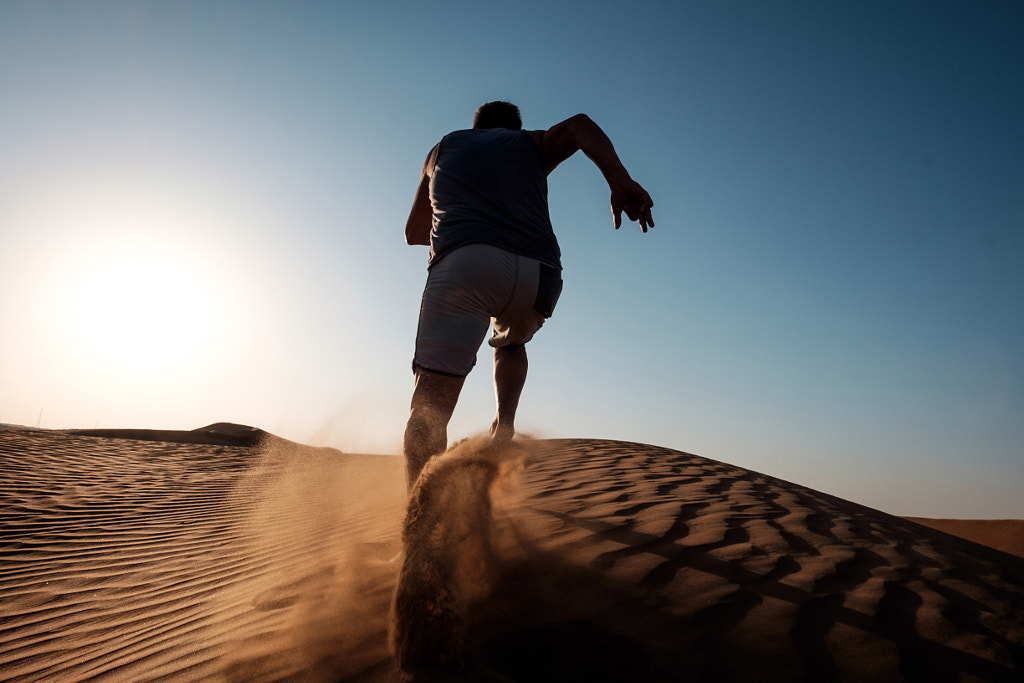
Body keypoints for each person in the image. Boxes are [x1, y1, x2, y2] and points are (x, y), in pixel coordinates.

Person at [403, 101, 654, 487]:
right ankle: (504, 426)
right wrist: (619, 182)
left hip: (466, 264)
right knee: (510, 342)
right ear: (514, 128)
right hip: (539, 275)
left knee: (429, 409)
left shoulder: (441, 151)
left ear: (476, 127)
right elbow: (579, 125)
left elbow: (413, 233)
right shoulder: (532, 144)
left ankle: (421, 532)